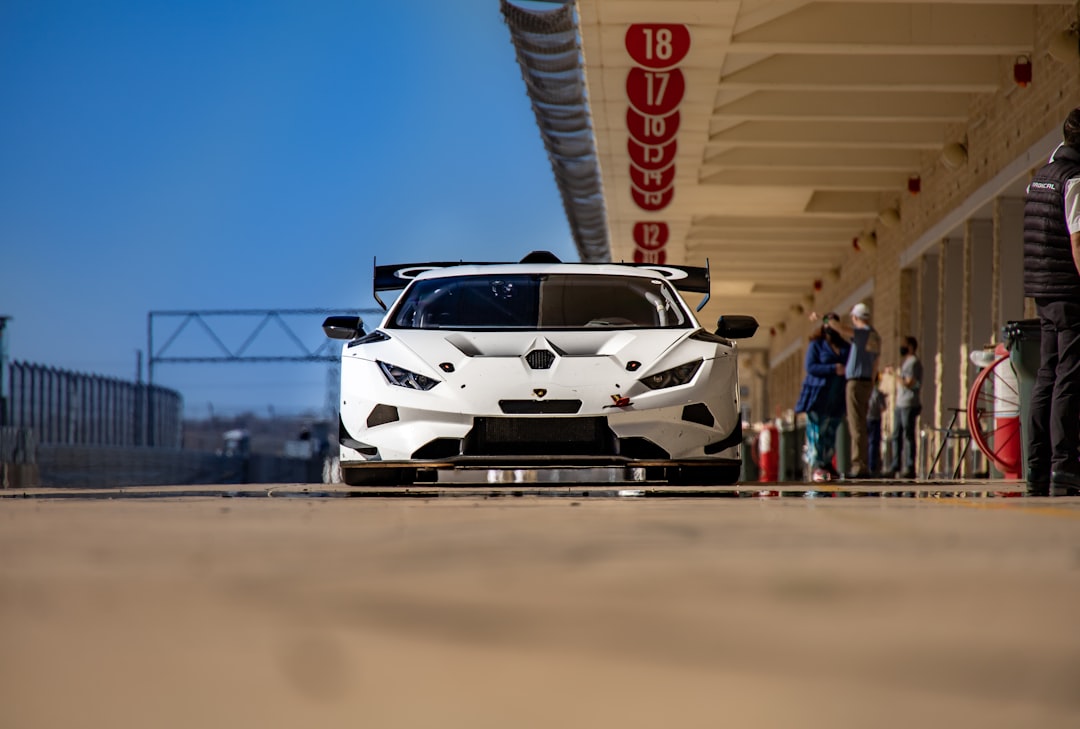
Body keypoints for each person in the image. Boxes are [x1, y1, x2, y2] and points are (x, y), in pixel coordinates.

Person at [1022, 107, 1080, 497]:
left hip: (1043, 290)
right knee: (1070, 376)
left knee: (1047, 374)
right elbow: (1078, 239)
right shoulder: (1074, 178)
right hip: (1069, 291)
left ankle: (1037, 467)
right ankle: (1064, 466)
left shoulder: (1039, 178)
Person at [826, 302, 881, 478]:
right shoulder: (875, 336)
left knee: (856, 425)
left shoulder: (861, 333)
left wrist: (825, 318)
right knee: (862, 424)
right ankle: (863, 464)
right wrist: (872, 384)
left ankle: (859, 466)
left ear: (857, 318)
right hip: (866, 383)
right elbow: (875, 364)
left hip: (856, 383)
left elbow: (839, 328)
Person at [794, 313, 850, 482]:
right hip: (818, 397)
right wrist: (833, 368)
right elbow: (810, 367)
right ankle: (817, 465)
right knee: (817, 433)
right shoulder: (816, 345)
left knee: (831, 432)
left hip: (837, 398)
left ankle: (827, 464)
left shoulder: (845, 346)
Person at [887, 336, 922, 479]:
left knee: (908, 435)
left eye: (904, 345)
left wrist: (894, 374)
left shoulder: (914, 363)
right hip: (900, 403)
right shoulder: (906, 362)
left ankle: (909, 465)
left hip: (909, 403)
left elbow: (908, 382)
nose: (901, 347)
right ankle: (895, 465)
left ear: (911, 347)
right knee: (896, 435)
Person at [866, 373, 887, 476]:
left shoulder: (866, 392)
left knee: (867, 442)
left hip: (866, 418)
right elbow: (883, 407)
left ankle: (867, 464)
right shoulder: (878, 393)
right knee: (874, 443)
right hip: (875, 419)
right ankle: (872, 465)